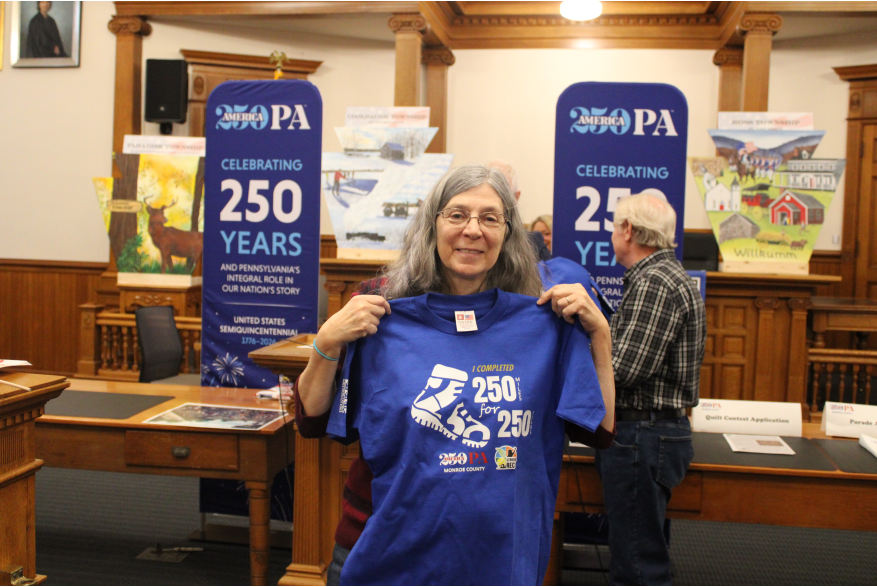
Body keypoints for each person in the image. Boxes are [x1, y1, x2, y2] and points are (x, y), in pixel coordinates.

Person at [295, 164, 616, 585]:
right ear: (433, 224)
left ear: (507, 233)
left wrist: (601, 339)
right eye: (457, 215)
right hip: (383, 546)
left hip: (495, 556)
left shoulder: (541, 318)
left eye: (489, 218)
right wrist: (327, 341)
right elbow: (312, 420)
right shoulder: (379, 307)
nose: (472, 230)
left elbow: (601, 432)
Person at [597, 193, 706, 586]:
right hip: (650, 434)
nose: (612, 234)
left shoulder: (655, 282)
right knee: (641, 551)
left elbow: (625, 369)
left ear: (628, 230)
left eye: (613, 226)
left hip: (643, 435)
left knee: (638, 564)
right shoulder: (663, 276)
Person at [487, 159, 552, 261]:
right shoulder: (466, 236)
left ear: (516, 197)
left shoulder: (533, 244)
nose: (494, 202)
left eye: (503, 195)